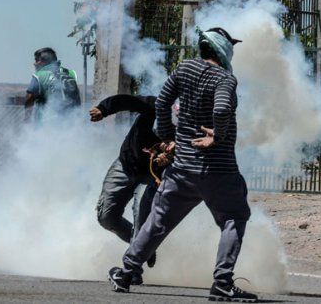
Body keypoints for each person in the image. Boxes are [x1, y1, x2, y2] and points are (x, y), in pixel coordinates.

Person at [108, 27, 257, 302]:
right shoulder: (225, 79)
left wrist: (166, 134)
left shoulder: (184, 68)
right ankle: (222, 283)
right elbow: (222, 108)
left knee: (158, 220)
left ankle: (126, 272)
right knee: (234, 218)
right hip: (218, 171)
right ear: (224, 49)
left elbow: (163, 100)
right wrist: (217, 135)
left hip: (182, 168)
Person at [90, 94, 172, 285]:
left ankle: (132, 269)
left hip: (151, 176)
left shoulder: (189, 122)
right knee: (106, 217)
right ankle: (144, 248)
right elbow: (126, 100)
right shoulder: (155, 105)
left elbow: (189, 150)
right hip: (126, 164)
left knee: (140, 215)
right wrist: (104, 109)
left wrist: (170, 157)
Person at [23, 47, 81, 120]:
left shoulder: (39, 76)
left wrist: (27, 118)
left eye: (36, 60)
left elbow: (29, 98)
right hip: (70, 121)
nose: (34, 63)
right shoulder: (71, 73)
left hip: (46, 123)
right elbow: (77, 97)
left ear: (44, 62)